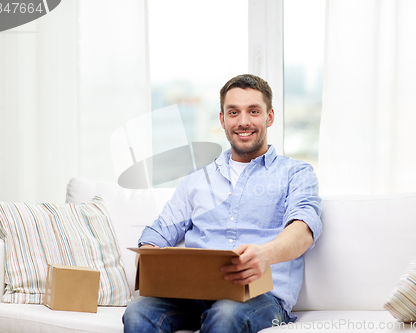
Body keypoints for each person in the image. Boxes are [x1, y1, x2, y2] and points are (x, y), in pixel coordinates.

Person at [123, 74, 322, 333]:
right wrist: (152, 259)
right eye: (233, 112)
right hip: (193, 295)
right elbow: (159, 232)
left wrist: (264, 255)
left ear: (269, 117)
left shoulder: (296, 173)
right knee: (138, 312)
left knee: (226, 314)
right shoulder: (197, 177)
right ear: (222, 119)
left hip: (261, 297)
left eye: (253, 111)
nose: (243, 121)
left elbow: (304, 229)